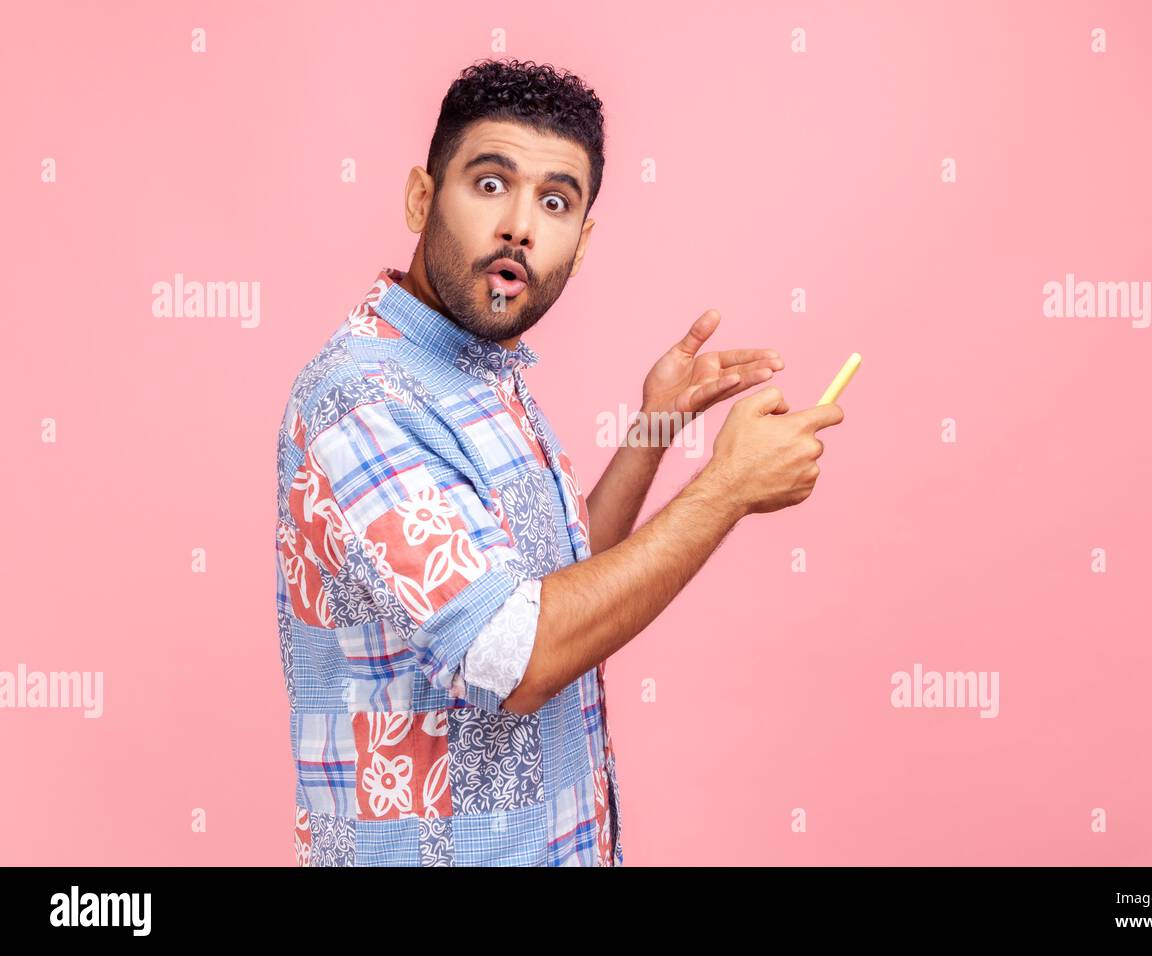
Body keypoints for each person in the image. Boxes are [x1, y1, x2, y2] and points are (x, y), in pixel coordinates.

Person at [274, 57, 844, 867]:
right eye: (489, 183)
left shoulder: (479, 369)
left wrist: (654, 431)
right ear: (420, 198)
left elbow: (553, 588)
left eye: (554, 202)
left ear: (580, 244)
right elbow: (519, 657)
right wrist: (725, 490)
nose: (519, 227)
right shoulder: (365, 398)